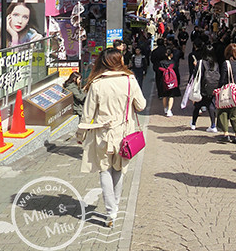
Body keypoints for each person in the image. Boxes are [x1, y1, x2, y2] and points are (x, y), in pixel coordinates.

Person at [77, 48, 146, 227]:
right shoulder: (130, 80)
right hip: (125, 133)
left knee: (104, 170)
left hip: (103, 134)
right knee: (119, 169)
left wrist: (80, 135)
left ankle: (111, 211)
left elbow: (87, 114)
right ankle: (114, 206)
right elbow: (141, 105)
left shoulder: (97, 83)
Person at [190, 46, 220, 132]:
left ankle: (193, 124)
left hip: (201, 88)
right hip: (212, 88)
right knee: (211, 106)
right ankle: (213, 125)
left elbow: (195, 74)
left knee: (197, 106)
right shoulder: (216, 64)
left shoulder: (200, 62)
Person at [158, 48, 181, 117]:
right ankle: (169, 110)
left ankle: (165, 108)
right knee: (171, 96)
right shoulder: (173, 63)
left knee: (164, 96)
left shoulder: (161, 63)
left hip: (164, 81)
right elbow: (176, 72)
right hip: (172, 82)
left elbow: (158, 73)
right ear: (171, 55)